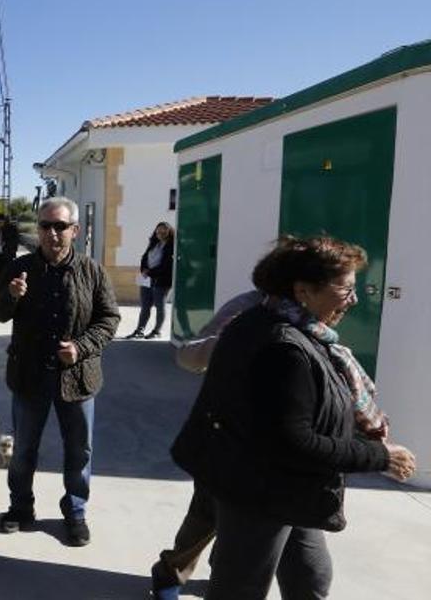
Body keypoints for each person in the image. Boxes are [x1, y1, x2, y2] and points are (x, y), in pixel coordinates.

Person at [171, 235, 416, 600]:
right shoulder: (283, 347)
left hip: (287, 486)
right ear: (303, 291)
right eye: (346, 289)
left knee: (310, 579)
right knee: (241, 588)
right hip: (259, 493)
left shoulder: (275, 323)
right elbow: (293, 442)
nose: (354, 299)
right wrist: (381, 455)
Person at [0, 197, 119, 547]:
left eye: (60, 226)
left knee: (79, 451)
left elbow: (109, 320)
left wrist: (81, 347)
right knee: (24, 450)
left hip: (77, 380)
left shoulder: (92, 271)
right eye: (45, 226)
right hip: (30, 378)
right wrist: (11, 296)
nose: (52, 233)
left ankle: (75, 512)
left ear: (75, 231)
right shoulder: (20, 267)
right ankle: (20, 507)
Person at [150, 289, 262, 599]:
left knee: (295, 554)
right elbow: (189, 355)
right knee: (207, 514)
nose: (351, 299)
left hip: (281, 448)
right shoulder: (246, 308)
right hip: (228, 436)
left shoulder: (316, 323)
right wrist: (231, 339)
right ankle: (171, 572)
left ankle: (223, 574)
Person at [126, 222, 175, 339]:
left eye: (164, 231)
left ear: (169, 232)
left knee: (159, 305)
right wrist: (143, 270)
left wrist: (150, 272)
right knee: (145, 306)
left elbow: (167, 265)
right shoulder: (154, 244)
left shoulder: (172, 246)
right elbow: (144, 257)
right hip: (146, 278)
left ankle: (156, 331)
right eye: (158, 231)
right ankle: (139, 330)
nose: (160, 233)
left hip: (161, 280)